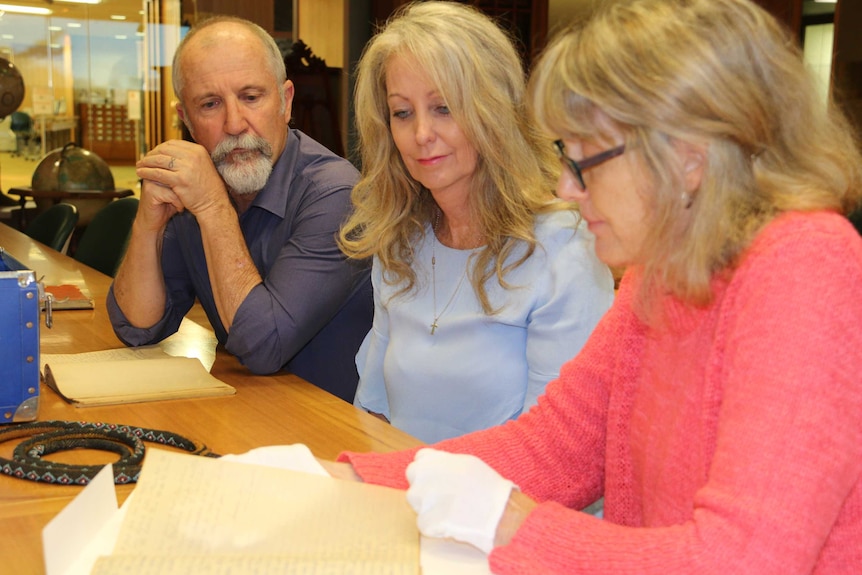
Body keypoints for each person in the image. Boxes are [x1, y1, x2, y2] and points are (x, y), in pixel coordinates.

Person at [325, 0, 862, 571]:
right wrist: (351, 478)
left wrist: (513, 529)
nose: (566, 186)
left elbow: (746, 558)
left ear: (688, 158)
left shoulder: (807, 266)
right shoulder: (660, 273)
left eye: (586, 161)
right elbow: (556, 445)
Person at [337, 1, 614, 443]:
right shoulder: (400, 241)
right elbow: (373, 411)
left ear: (494, 110)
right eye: (402, 113)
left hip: (507, 505)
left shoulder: (563, 249)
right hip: (405, 494)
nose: (422, 134)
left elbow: (558, 450)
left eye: (444, 107)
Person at [106, 16, 371, 402]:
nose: (234, 124)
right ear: (187, 121)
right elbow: (139, 328)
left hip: (334, 423)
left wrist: (213, 207)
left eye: (251, 97)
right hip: (245, 406)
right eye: (210, 104)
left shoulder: (337, 194)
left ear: (285, 101)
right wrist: (148, 224)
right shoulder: (201, 184)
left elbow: (264, 346)